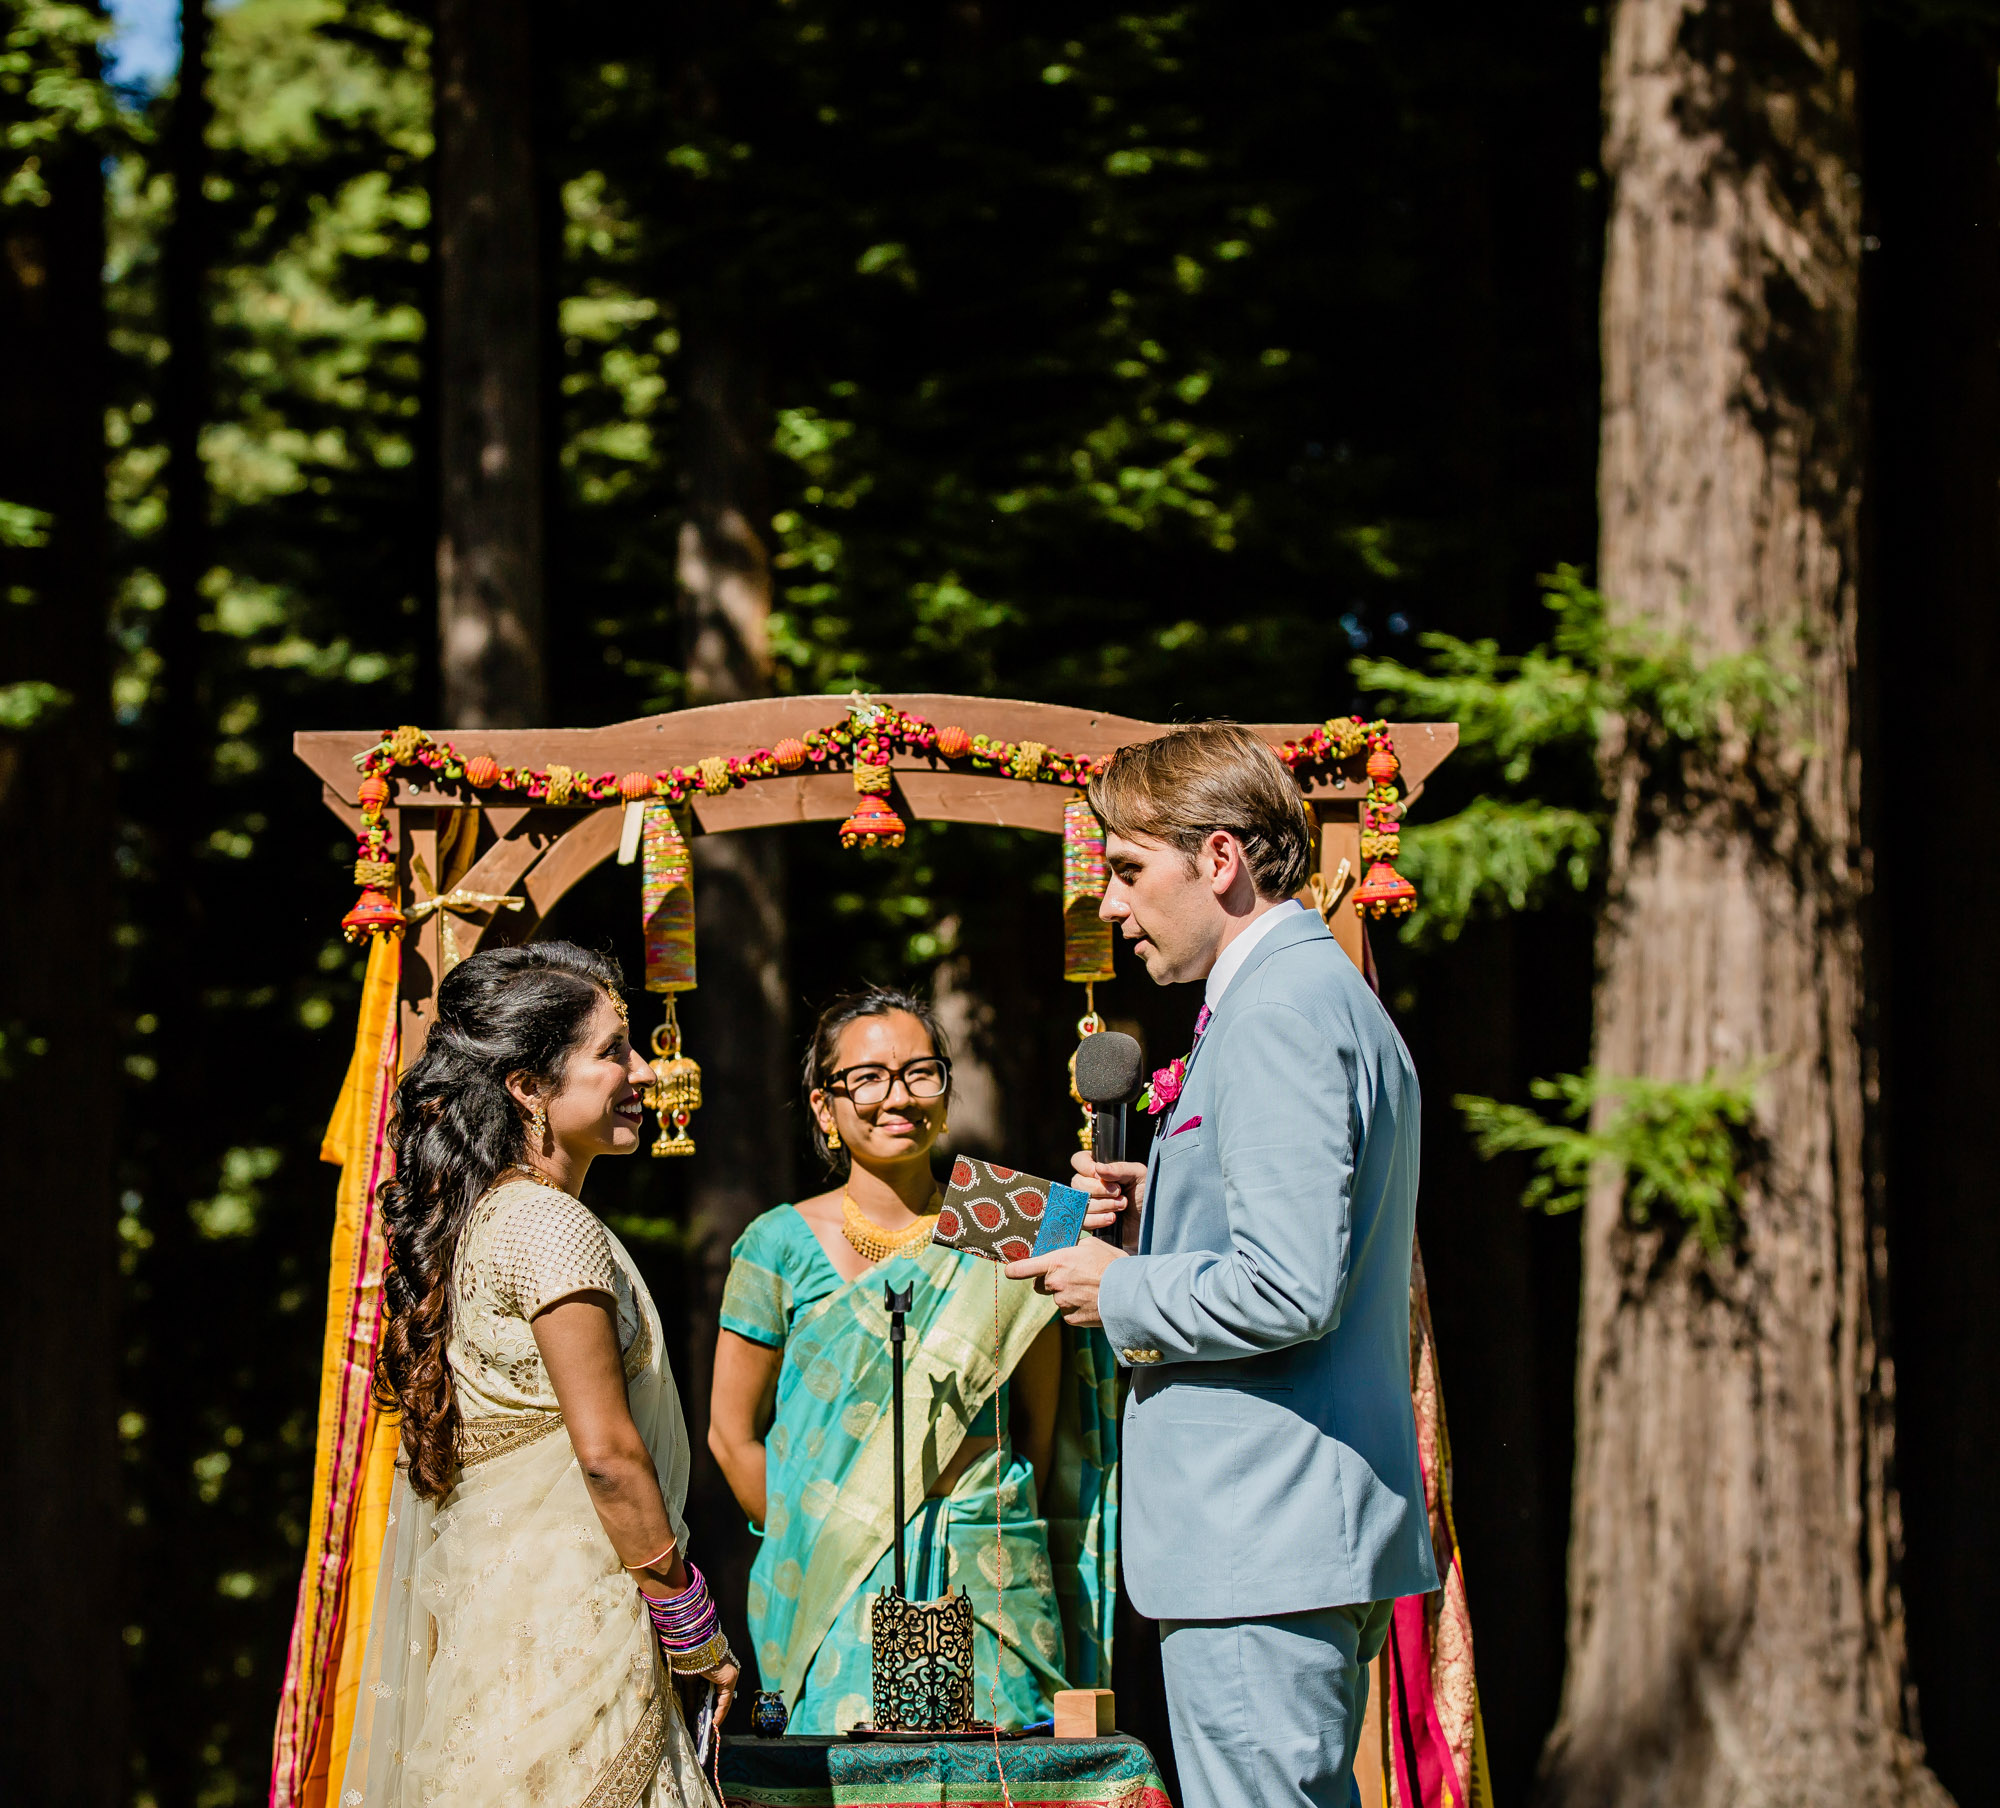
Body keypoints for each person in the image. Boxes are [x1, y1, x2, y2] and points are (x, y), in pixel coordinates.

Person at [1008, 723, 1438, 1808]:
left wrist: (1118, 1286)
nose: (1108, 904)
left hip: (1262, 1530)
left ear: (1217, 858)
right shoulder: (1302, 992)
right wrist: (1162, 1204)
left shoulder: (1279, 1010)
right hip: (1284, 1529)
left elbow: (1291, 1283)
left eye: (1124, 869)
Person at [340, 943, 736, 1808]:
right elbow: (606, 1453)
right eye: (613, 1052)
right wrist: (690, 1623)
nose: (643, 1073)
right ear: (527, 1086)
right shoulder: (552, 1227)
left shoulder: (486, 1219)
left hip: (502, 1639)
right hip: (576, 1637)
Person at [708, 987, 1119, 1733]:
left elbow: (1037, 1425)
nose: (897, 1097)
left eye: (920, 1072)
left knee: (1002, 1774)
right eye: (865, 1078)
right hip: (834, 1579)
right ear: (824, 1107)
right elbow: (730, 1435)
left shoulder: (1017, 1218)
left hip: (986, 1553)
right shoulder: (776, 1242)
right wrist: (824, 1532)